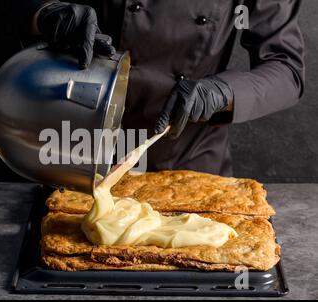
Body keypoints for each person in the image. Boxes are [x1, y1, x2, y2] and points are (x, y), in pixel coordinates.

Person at [19, 0, 305, 176]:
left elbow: (286, 68)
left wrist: (224, 92)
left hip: (188, 165)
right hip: (74, 154)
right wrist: (45, 13)